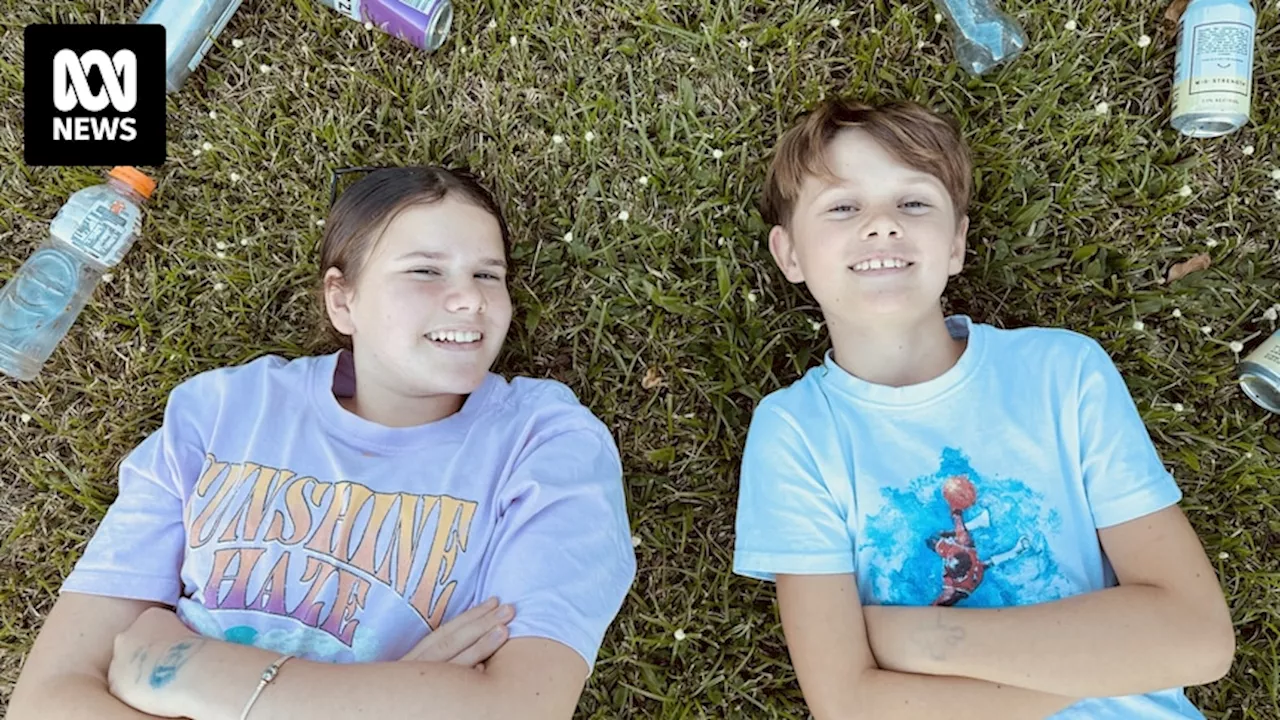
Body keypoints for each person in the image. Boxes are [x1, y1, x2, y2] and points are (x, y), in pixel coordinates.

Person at [9, 166, 636, 720]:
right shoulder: (225, 410)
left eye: (487, 274)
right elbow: (48, 701)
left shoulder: (547, 445)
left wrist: (192, 674)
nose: (470, 297)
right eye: (424, 270)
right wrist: (395, 696)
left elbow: (515, 707)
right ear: (343, 299)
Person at [732, 98, 1235, 719]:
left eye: (914, 202)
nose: (882, 224)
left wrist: (919, 639)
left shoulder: (1062, 373)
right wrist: (1110, 658)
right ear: (790, 255)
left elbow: (1197, 638)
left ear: (956, 243)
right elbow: (850, 705)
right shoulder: (795, 433)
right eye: (842, 207)